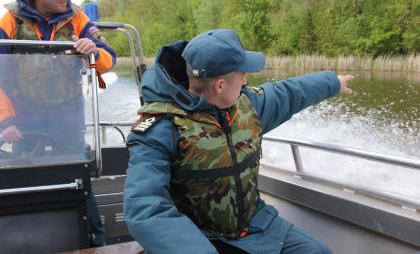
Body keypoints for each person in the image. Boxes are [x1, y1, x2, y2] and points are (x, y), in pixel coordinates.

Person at [124, 28, 354, 253]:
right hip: (199, 237)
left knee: (316, 250)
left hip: (256, 226)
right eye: (242, 74)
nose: (246, 81)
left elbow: (289, 93)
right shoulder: (161, 127)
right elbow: (146, 208)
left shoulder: (248, 105)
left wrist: (332, 82)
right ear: (220, 85)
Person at [0, 0, 116, 246]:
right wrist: (6, 121)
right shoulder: (10, 22)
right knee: (24, 192)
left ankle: (97, 246)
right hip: (24, 126)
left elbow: (109, 59)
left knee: (82, 191)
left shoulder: (77, 19)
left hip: (68, 125)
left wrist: (93, 51)